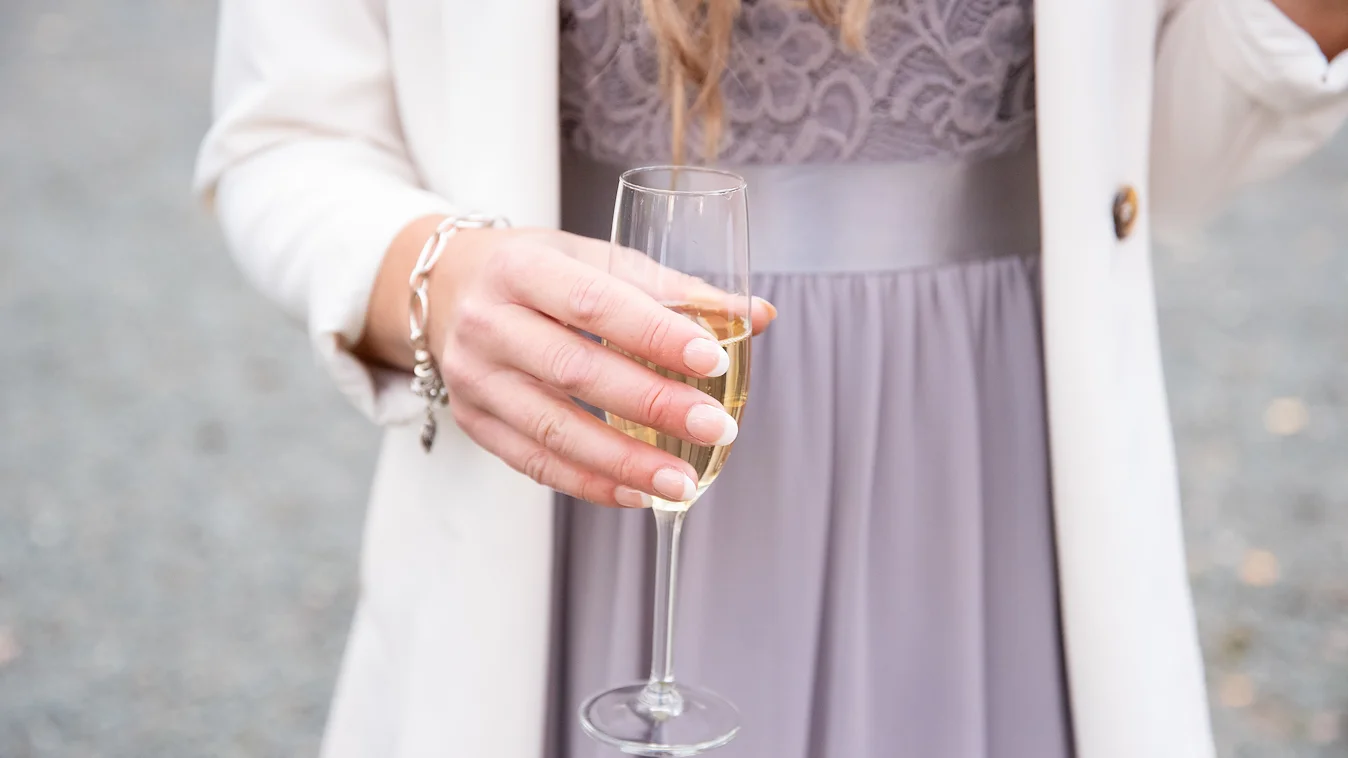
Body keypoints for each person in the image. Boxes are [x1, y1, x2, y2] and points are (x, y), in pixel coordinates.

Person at [194, 1, 1348, 756]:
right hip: (577, 482)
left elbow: (1162, 164)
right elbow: (284, 137)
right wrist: (437, 279)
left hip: (981, 498)